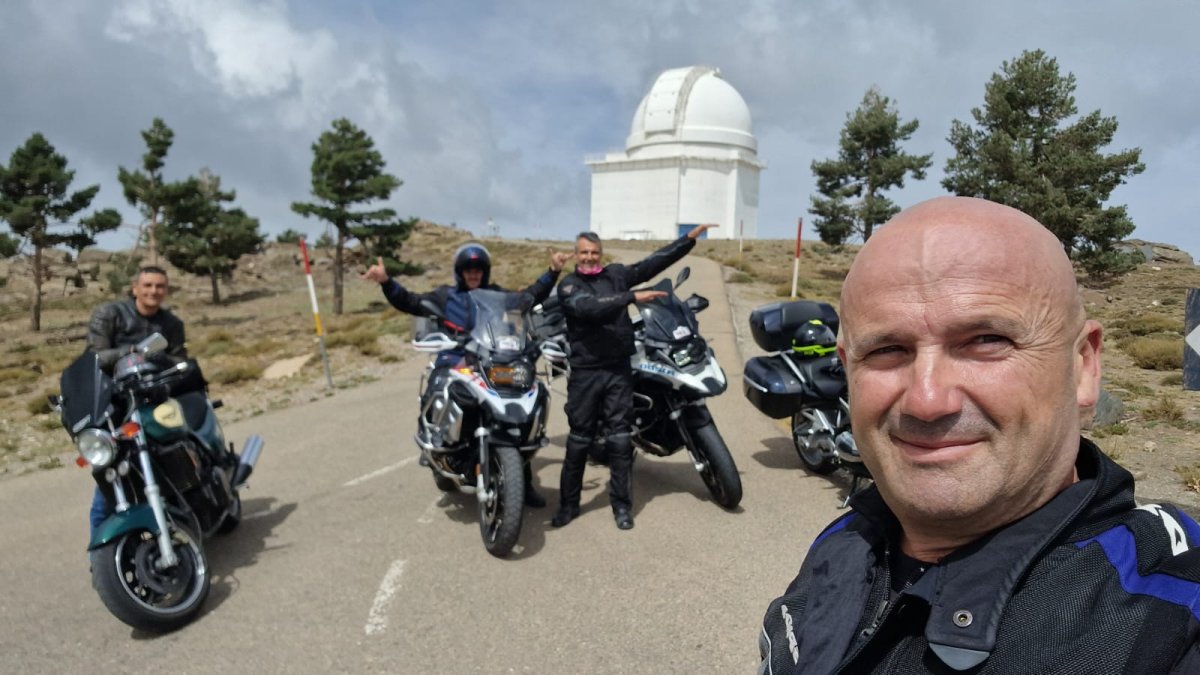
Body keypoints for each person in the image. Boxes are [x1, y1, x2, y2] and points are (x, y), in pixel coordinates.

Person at [757, 196, 1200, 674]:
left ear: (1083, 367)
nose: (927, 400)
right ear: (848, 370)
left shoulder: (1170, 613)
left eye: (987, 340)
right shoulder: (852, 537)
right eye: (887, 349)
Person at [362, 242, 570, 507]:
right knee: (437, 385)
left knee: (517, 406)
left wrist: (552, 271)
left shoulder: (498, 295)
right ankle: (433, 440)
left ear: (485, 272)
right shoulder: (446, 296)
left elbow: (530, 297)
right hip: (456, 358)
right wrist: (386, 282)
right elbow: (411, 302)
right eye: (468, 270)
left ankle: (523, 484)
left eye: (478, 270)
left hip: (492, 360)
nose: (474, 274)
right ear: (460, 272)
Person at [551, 223, 715, 531]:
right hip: (586, 373)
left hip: (618, 370)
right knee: (579, 441)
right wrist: (630, 298)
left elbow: (651, 263)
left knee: (620, 440)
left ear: (601, 254)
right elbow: (588, 308)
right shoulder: (569, 286)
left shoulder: (615, 275)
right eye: (584, 252)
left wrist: (686, 241)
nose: (589, 257)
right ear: (576, 255)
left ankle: (622, 507)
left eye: (594, 252)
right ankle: (568, 506)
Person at [85, 265, 189, 537]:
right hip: (115, 405)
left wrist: (164, 361)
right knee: (110, 476)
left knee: (180, 447)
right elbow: (95, 357)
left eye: (159, 286)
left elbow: (181, 359)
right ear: (135, 288)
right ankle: (100, 549)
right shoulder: (110, 315)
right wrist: (133, 352)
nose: (153, 291)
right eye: (148, 285)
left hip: (156, 398)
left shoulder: (171, 324)